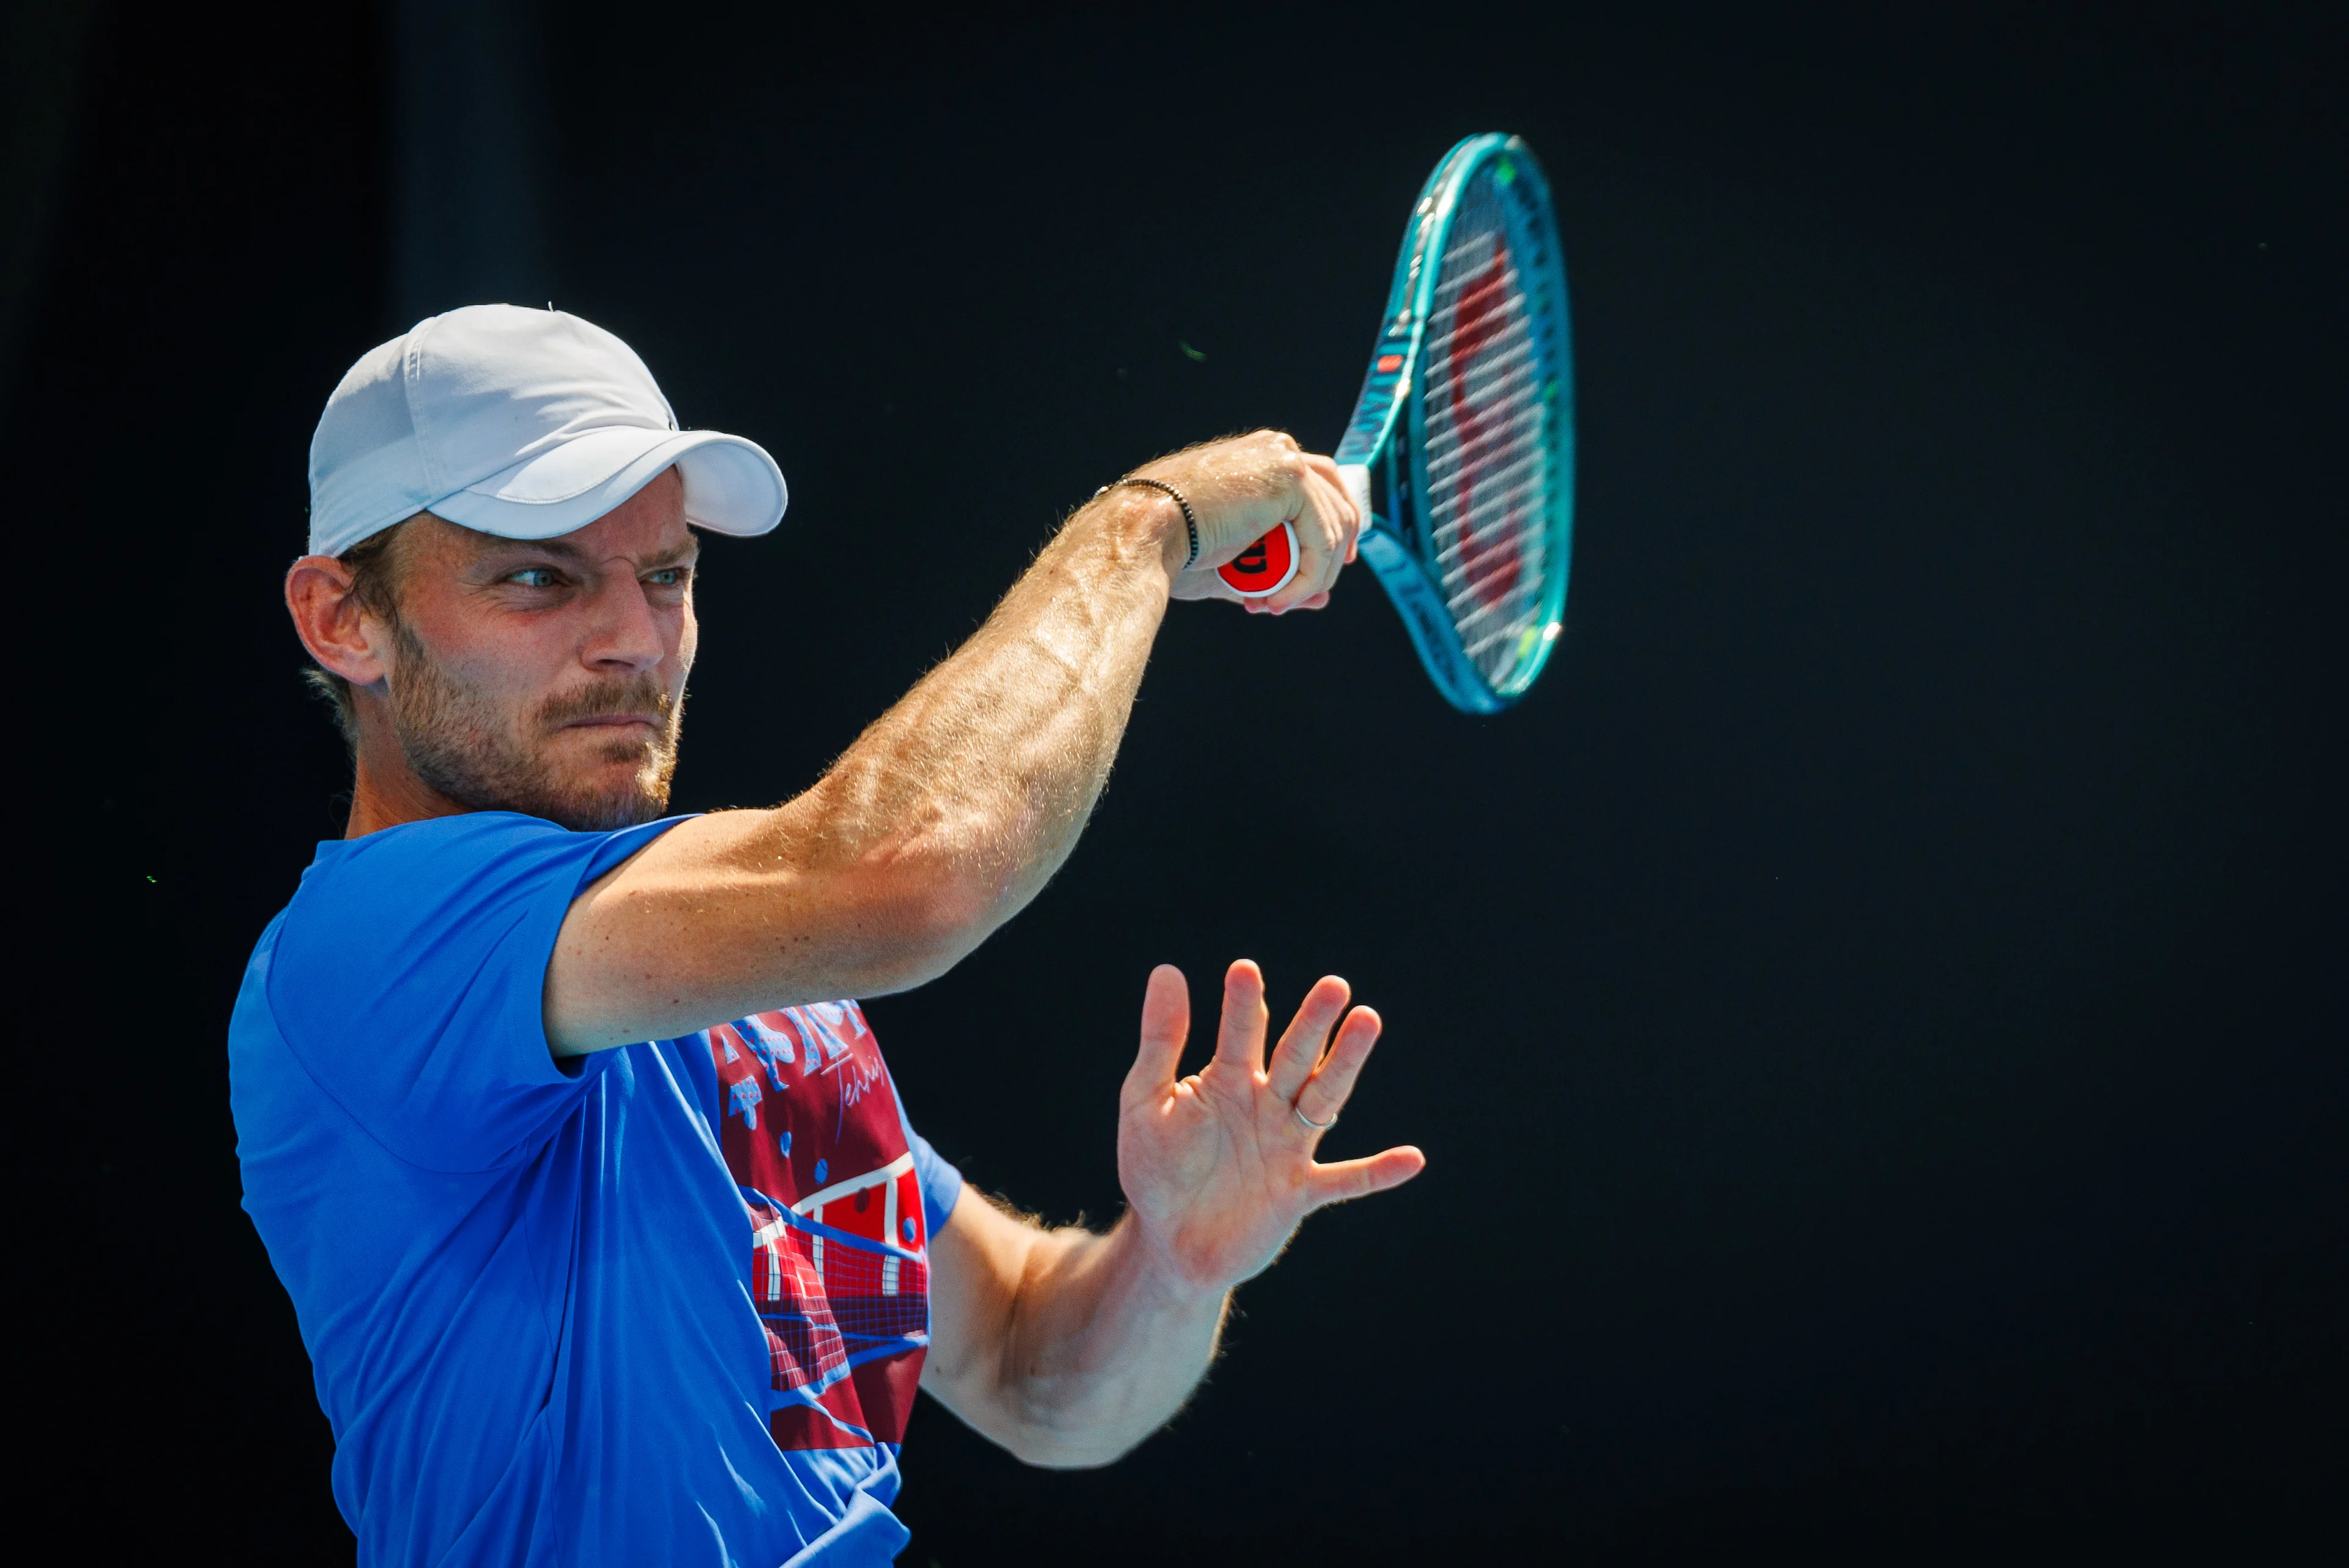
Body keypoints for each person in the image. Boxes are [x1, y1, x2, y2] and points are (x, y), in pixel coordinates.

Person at [230, 305, 1425, 1567]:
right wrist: (1144, 528)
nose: (637, 641)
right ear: (341, 618)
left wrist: (1174, 1270)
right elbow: (910, 876)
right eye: (540, 577)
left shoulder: (745, 990)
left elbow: (1034, 1372)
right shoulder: (372, 945)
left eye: (669, 576)